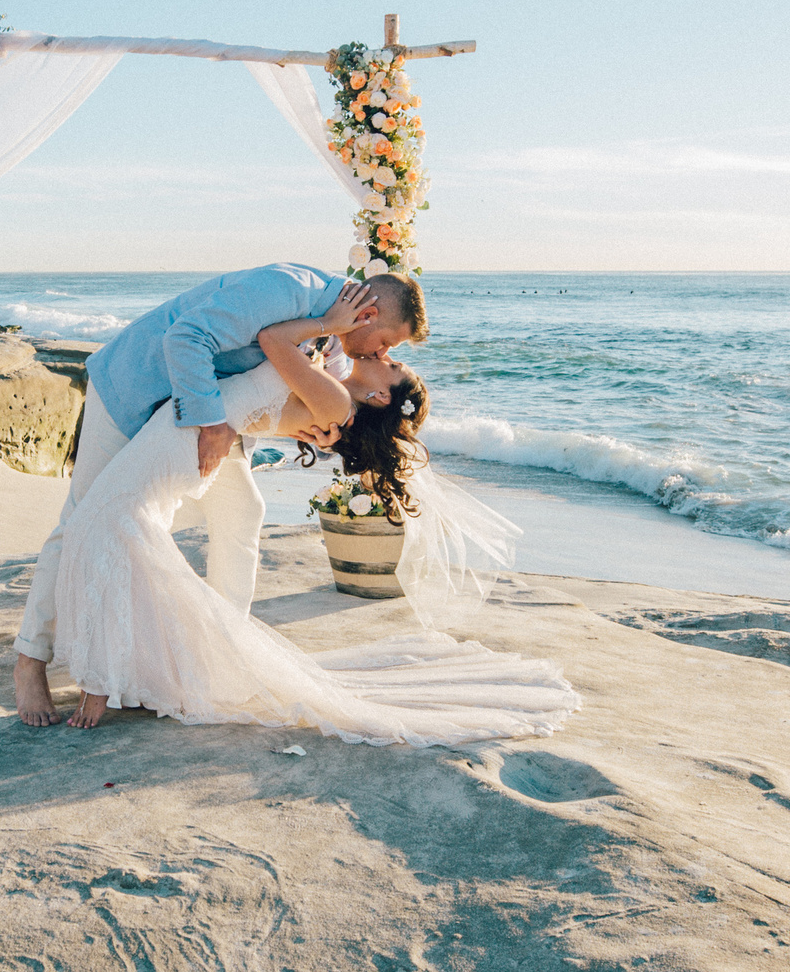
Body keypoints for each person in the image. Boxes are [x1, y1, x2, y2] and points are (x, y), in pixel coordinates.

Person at [45, 294, 578, 742]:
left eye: (391, 363)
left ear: (380, 395)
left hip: (182, 438)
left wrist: (331, 324)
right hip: (181, 432)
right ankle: (126, 671)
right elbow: (261, 405)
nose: (381, 355)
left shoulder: (331, 399)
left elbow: (276, 345)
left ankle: (103, 680)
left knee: (113, 527)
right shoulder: (327, 393)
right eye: (390, 353)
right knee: (114, 527)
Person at [13, 262, 424, 727]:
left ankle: (218, 657)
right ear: (367, 315)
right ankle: (31, 659)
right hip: (136, 392)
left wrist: (317, 432)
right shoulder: (287, 290)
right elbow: (186, 339)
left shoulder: (332, 338)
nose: (381, 353)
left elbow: (306, 396)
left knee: (242, 513)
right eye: (387, 343)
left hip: (201, 413)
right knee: (80, 522)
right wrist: (213, 425)